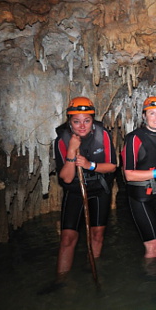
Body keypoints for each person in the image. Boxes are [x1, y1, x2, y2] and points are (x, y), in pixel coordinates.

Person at [54, 97, 117, 277]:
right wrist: (72, 154)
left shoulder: (102, 135)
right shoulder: (62, 140)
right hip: (75, 190)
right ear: (70, 122)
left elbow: (112, 166)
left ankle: (92, 269)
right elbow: (66, 178)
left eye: (87, 120)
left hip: (99, 188)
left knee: (97, 235)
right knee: (67, 238)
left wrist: (90, 165)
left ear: (92, 120)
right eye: (77, 121)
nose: (82, 126)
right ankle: (62, 279)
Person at [122, 96, 156, 268]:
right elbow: (128, 175)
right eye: (152, 113)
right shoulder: (134, 138)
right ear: (144, 116)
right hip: (141, 197)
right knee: (154, 247)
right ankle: (149, 286)